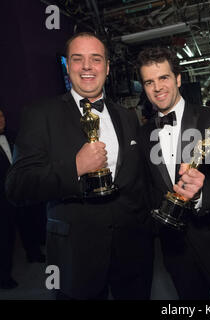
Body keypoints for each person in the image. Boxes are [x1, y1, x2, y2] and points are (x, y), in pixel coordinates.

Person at [5, 32, 154, 300]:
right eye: (78, 59)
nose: (87, 66)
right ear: (68, 66)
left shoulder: (126, 116)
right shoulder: (40, 115)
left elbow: (137, 180)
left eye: (96, 59)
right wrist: (74, 167)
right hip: (76, 258)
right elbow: (17, 186)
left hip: (133, 254)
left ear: (107, 68)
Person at [137, 47, 210, 300]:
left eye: (164, 78)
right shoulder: (142, 135)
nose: (157, 87)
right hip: (176, 252)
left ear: (178, 79)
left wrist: (200, 194)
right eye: (149, 82)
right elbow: (147, 190)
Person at [0, 108, 18, 290]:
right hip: (1, 200)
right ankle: (4, 277)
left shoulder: (13, 136)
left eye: (2, 116)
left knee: (28, 222)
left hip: (19, 192)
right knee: (4, 240)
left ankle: (34, 253)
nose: (0, 120)